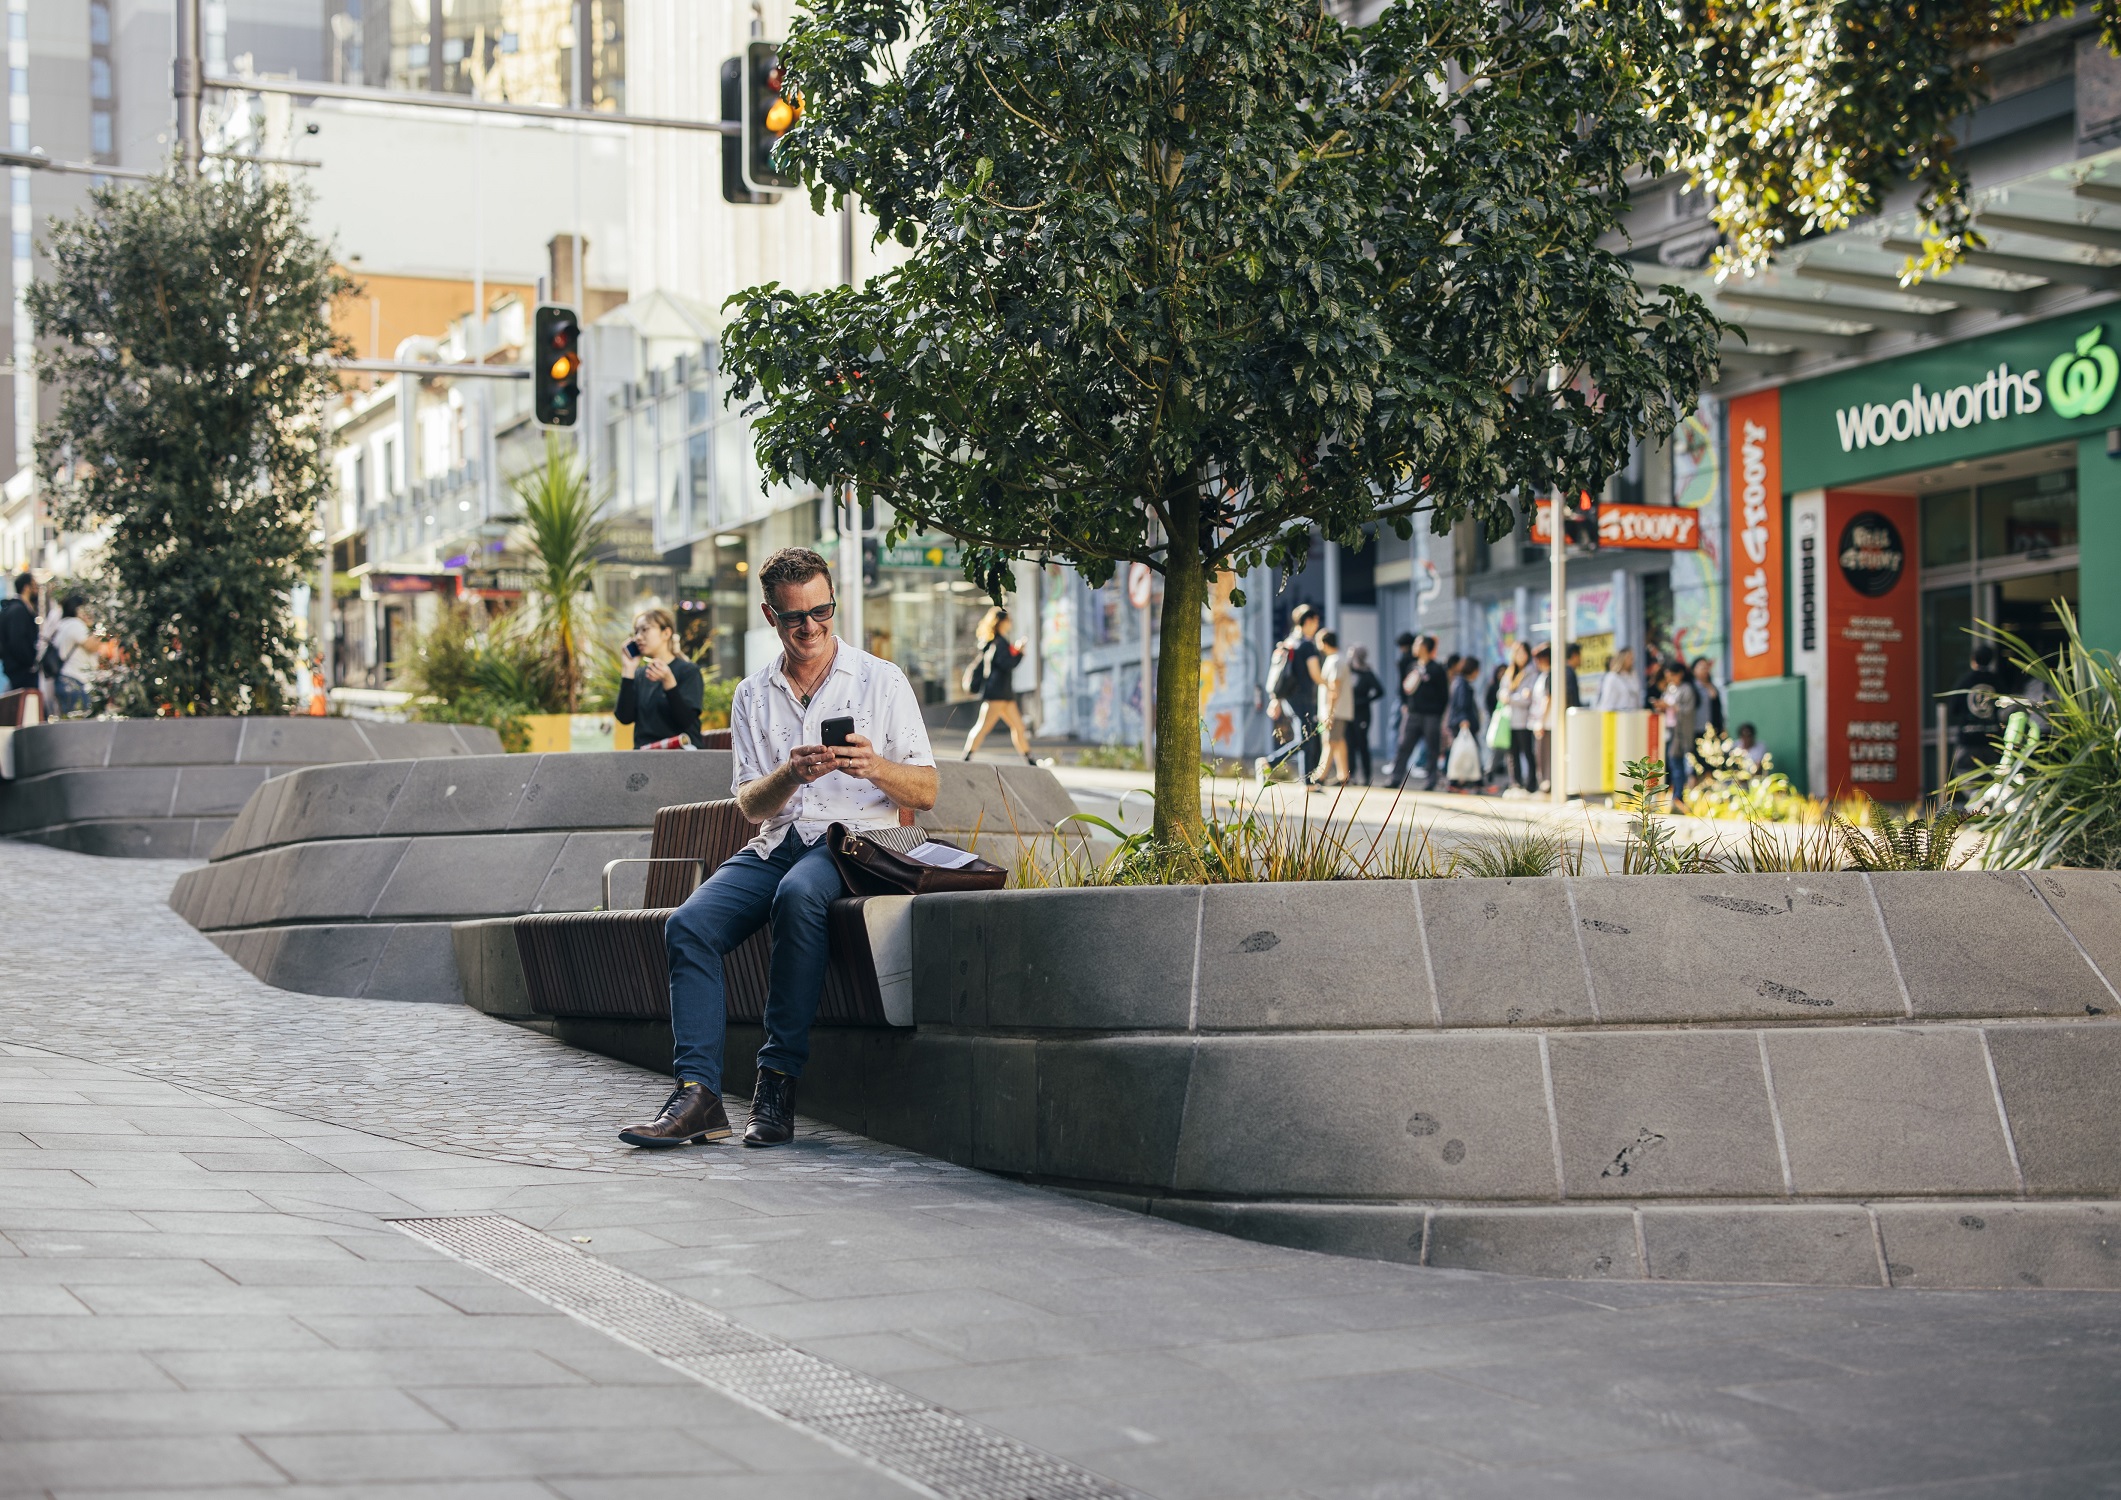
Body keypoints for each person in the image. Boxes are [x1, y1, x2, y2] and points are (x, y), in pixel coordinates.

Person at [620, 548, 938, 1151]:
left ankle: (777, 1081)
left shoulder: (880, 680)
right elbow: (750, 805)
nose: (811, 627)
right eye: (796, 618)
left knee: (798, 897)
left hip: (855, 846)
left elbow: (926, 788)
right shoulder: (752, 695)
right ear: (771, 616)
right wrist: (790, 775)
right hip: (777, 843)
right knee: (688, 925)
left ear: (833, 605)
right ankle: (698, 1096)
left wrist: (874, 766)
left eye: (822, 612)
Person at [615, 607, 706, 748]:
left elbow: (686, 721)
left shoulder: (688, 671)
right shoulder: (640, 674)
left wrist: (669, 684)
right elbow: (625, 718)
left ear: (666, 633)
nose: (638, 637)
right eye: (636, 631)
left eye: (645, 629)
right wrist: (628, 670)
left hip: (681, 756)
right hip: (645, 756)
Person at [960, 606, 1035, 763]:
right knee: (983, 727)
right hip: (997, 694)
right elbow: (1005, 664)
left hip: (1003, 694)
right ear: (1001, 622)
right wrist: (1019, 653)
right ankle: (966, 758)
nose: (1011, 623)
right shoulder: (1000, 643)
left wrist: (1015, 652)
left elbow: (1001, 663)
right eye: (1009, 620)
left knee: (1019, 727)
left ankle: (1030, 760)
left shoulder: (994, 642)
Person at [1262, 604, 1324, 784]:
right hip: (1304, 698)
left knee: (1304, 738)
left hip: (1289, 698)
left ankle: (1307, 783)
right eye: (1315, 621)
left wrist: (1276, 699)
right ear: (1309, 621)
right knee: (1307, 739)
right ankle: (1270, 761)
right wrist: (1330, 684)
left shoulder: (1289, 641)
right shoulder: (1307, 646)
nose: (1317, 625)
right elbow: (1315, 674)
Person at [1389, 634, 1449, 790]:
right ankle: (1395, 778)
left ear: (1425, 648)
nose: (1414, 648)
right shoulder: (1412, 666)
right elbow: (1404, 689)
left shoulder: (1437, 669)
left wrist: (1438, 714)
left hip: (1431, 715)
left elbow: (1444, 695)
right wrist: (1405, 705)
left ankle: (1431, 781)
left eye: (1417, 645)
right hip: (1412, 714)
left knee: (1432, 749)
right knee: (1403, 746)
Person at [1947, 642, 2009, 778]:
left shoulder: (1965, 682)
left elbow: (1953, 709)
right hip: (1992, 740)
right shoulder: (1997, 681)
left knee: (1966, 777)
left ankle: (1976, 798)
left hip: (1968, 740)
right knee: (1991, 780)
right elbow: (2007, 708)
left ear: (1973, 659)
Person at [41, 596, 100, 717]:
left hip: (65, 679)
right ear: (77, 609)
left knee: (69, 720)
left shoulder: (62, 624)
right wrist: (96, 628)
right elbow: (92, 646)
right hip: (75, 680)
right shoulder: (75, 625)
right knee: (79, 723)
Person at [1315, 629, 1352, 786]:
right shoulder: (1336, 659)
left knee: (1329, 741)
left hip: (1335, 710)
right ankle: (1343, 775)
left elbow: (1334, 688)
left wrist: (1329, 712)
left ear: (1324, 642)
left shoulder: (1335, 661)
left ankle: (1320, 776)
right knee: (1339, 741)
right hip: (1338, 710)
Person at [1500, 641, 1538, 793]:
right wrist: (1511, 696)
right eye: (1517, 653)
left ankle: (1531, 784)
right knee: (1512, 754)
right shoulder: (1509, 673)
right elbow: (1501, 693)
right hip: (1509, 720)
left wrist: (1510, 698)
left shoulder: (1532, 672)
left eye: (1523, 652)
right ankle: (1515, 783)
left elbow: (1527, 698)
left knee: (1528, 752)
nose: (1520, 656)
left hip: (1525, 720)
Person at [1346, 644, 1384, 787]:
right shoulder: (1347, 671)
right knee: (1349, 744)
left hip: (1362, 713)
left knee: (1362, 744)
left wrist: (1364, 701)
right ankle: (1351, 775)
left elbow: (1380, 691)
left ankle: (1366, 776)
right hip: (1348, 712)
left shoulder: (1367, 673)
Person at [1444, 656, 1485, 791]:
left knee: (1462, 751)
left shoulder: (1458, 682)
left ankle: (1462, 781)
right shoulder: (1462, 684)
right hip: (1462, 723)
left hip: (1458, 722)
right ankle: (1463, 782)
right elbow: (1462, 704)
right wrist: (1464, 720)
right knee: (1466, 751)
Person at [1659, 660, 1697, 797]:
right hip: (1667, 730)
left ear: (1680, 674)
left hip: (1680, 732)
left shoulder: (1687, 689)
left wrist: (1671, 706)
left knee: (1677, 763)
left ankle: (1679, 795)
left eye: (1672, 676)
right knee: (1670, 763)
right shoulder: (1670, 688)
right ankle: (1674, 794)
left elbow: (1687, 711)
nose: (1670, 680)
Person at [0, 573, 36, 695]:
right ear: (27, 587)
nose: (37, 590)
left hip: (16, 668)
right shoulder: (18, 610)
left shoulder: (15, 608)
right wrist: (30, 662)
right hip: (20, 671)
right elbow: (17, 641)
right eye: (35, 586)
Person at [1594, 647, 1641, 711]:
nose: (1632, 661)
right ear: (1622, 659)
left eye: (1632, 658)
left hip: (1633, 716)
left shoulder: (1633, 676)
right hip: (1618, 716)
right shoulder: (1612, 677)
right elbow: (1607, 703)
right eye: (1629, 658)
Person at [1691, 656, 1725, 737]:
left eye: (1707, 667)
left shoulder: (1713, 686)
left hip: (1713, 730)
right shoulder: (1691, 687)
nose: (1705, 670)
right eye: (1702, 667)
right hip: (1696, 730)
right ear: (1694, 670)